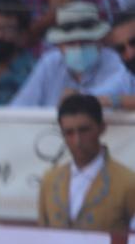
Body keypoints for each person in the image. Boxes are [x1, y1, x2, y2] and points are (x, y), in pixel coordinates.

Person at [37, 93, 135, 229]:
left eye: (84, 130)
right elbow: (43, 237)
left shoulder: (128, 184)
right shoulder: (49, 181)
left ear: (101, 128)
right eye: (69, 133)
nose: (77, 141)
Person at [10, 0, 135, 107]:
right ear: (59, 45)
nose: (79, 47)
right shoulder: (50, 62)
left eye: (85, 42)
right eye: (71, 43)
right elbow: (18, 107)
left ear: (99, 41)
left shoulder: (116, 60)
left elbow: (117, 92)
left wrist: (81, 99)